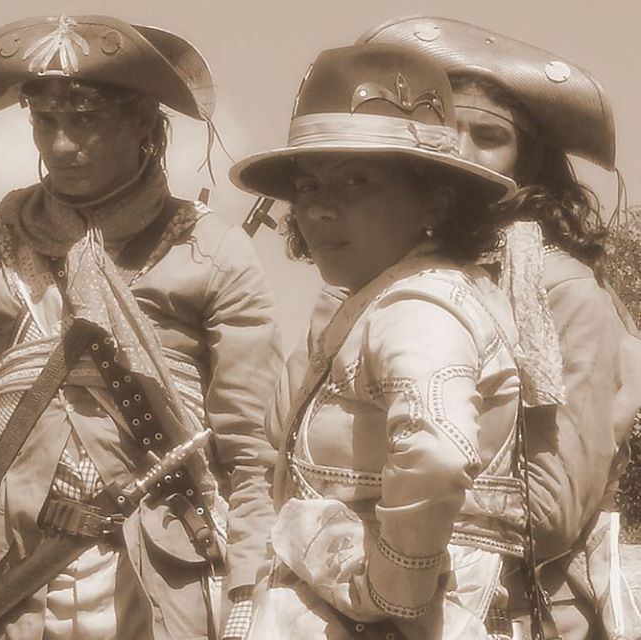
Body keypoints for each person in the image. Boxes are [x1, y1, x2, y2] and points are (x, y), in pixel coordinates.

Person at [0, 15, 282, 640]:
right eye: (45, 120)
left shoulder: (214, 253)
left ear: (142, 121)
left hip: (165, 584)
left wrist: (248, 595)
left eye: (85, 118)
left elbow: (252, 456)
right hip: (7, 586)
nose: (61, 145)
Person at [229, 43, 526, 639]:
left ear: (433, 201)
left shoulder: (419, 305)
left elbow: (437, 453)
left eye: (356, 181)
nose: (319, 209)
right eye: (307, 186)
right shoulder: (376, 302)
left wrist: (393, 590)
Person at [359, 17, 641, 639]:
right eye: (444, 130)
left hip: (516, 612)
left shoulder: (562, 289)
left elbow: (550, 516)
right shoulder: (380, 276)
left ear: (528, 159)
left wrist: (381, 505)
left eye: (488, 136)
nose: (459, 151)